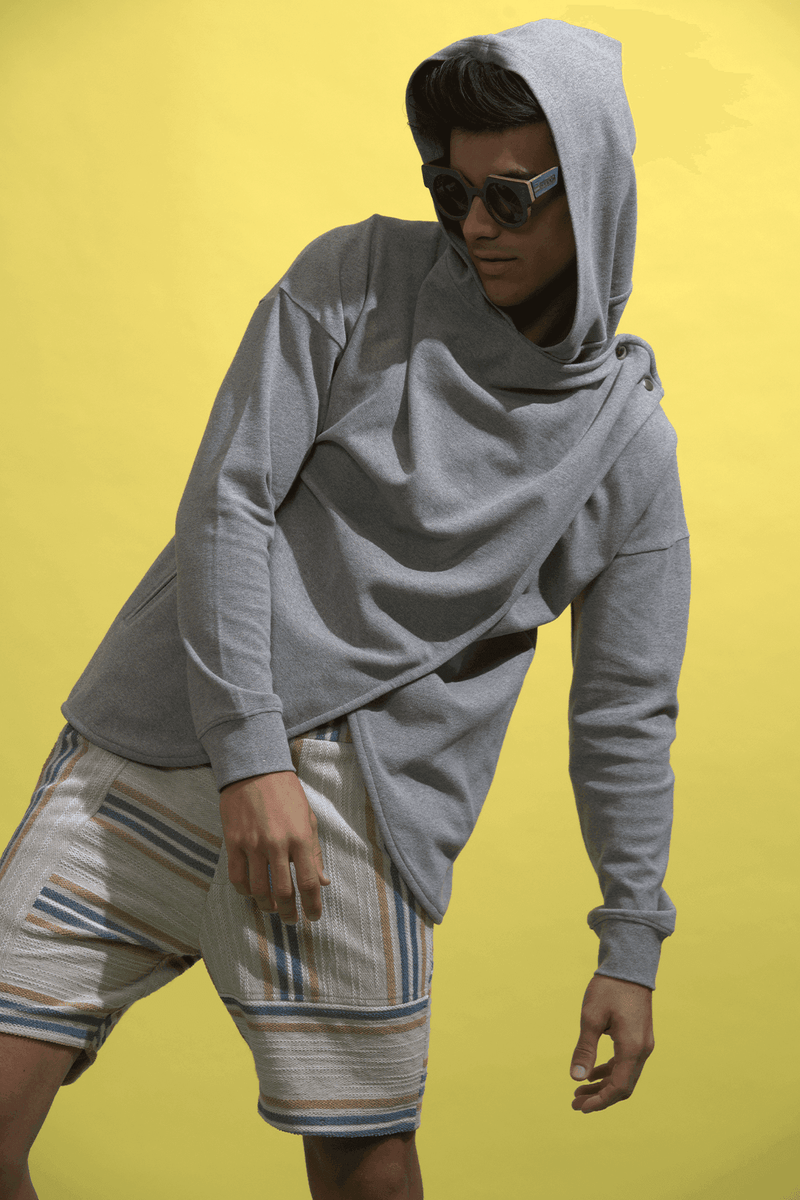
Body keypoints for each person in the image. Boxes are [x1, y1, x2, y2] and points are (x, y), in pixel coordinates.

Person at [0, 18, 690, 1200]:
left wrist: (629, 944)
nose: (474, 226)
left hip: (360, 816)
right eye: (451, 191)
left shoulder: (625, 447)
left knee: (367, 1176)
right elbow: (227, 502)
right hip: (168, 734)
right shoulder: (355, 277)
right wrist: (250, 757)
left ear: (593, 190)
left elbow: (624, 709)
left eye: (510, 196)